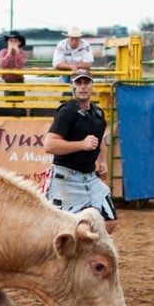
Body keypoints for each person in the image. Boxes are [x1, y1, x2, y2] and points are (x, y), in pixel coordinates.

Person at [42, 68, 117, 234]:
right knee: (62, 229)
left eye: (86, 82)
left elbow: (99, 140)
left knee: (109, 221)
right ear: (72, 87)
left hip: (89, 177)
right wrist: (81, 145)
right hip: (66, 177)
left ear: (92, 86)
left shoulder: (98, 113)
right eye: (78, 83)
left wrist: (102, 161)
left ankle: (85, 252)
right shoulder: (67, 111)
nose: (83, 86)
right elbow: (49, 145)